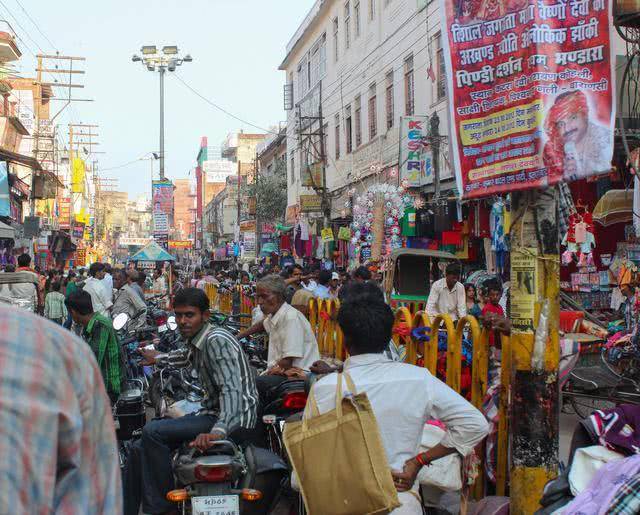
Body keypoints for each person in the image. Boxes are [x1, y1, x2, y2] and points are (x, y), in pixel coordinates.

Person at [301, 287, 489, 513]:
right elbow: (475, 424)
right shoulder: (418, 379)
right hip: (400, 503)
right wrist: (419, 461)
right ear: (389, 335)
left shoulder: (326, 389)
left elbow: (308, 462)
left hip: (343, 504)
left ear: (345, 337)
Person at [125, 288, 258, 515]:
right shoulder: (199, 339)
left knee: (152, 431)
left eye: (189, 315)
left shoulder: (216, 340)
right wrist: (158, 357)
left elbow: (232, 391)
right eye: (179, 315)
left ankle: (164, 509)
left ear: (205, 316)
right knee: (138, 449)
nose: (183, 321)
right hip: (214, 414)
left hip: (233, 420)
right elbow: (184, 357)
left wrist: (218, 431)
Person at [0, 305, 122, 513]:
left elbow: (101, 355)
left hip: (110, 380)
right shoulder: (64, 351)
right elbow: (92, 500)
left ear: (75, 312)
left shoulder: (71, 349)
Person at [238, 275, 320, 392]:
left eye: (265, 297)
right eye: (258, 297)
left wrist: (268, 372)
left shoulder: (291, 318)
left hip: (297, 377)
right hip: (283, 373)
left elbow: (287, 362)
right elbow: (261, 325)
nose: (260, 302)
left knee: (249, 384)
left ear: (279, 296)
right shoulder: (277, 315)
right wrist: (237, 337)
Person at [543, 90, 613, 182]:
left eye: (573, 118)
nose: (567, 129)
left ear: (585, 115)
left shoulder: (604, 138)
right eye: (560, 124)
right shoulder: (552, 149)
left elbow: (603, 167)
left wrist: (582, 169)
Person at [65, 290, 122, 403]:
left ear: (73, 312)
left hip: (108, 387)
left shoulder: (100, 325)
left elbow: (93, 360)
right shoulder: (90, 325)